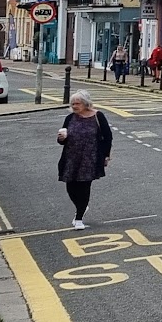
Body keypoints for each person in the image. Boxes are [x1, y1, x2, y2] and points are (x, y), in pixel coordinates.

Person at [56, 90, 113, 230]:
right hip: (71, 158)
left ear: (86, 103)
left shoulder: (98, 116)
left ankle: (79, 218)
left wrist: (106, 155)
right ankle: (81, 206)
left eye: (77, 103)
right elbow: (62, 140)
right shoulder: (70, 118)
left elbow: (108, 137)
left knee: (84, 187)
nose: (74, 106)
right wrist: (61, 139)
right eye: (72, 104)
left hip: (90, 158)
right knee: (70, 186)